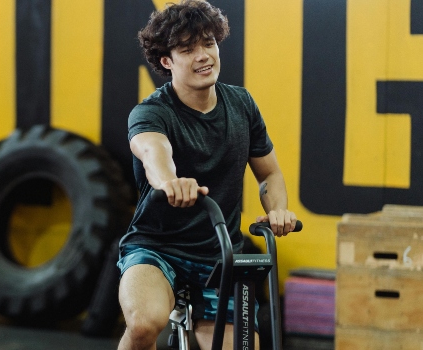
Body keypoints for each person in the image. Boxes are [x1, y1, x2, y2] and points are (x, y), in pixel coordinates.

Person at [116, 1, 297, 349]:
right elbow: (154, 152)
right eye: (188, 49)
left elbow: (269, 173)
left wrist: (278, 209)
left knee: (244, 346)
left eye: (209, 43)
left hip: (221, 255)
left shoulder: (242, 105)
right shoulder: (151, 112)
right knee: (144, 324)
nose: (203, 56)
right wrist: (170, 182)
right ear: (166, 61)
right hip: (157, 248)